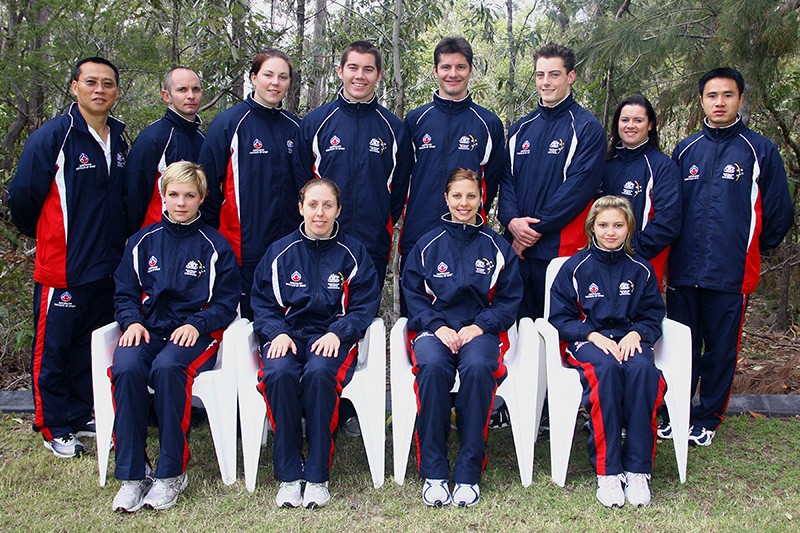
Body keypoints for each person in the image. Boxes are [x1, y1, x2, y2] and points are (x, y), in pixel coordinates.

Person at [663, 68, 793, 446]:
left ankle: (708, 418)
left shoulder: (759, 150)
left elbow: (779, 211)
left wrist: (753, 246)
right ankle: (678, 411)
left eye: (728, 95)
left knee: (720, 350)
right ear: (701, 100)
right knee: (682, 347)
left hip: (731, 271)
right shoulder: (686, 149)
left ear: (739, 99)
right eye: (712, 96)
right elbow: (671, 210)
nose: (719, 103)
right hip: (684, 270)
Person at [9, 57, 128, 458]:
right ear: (75, 86)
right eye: (91, 82)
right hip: (62, 267)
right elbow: (23, 198)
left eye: (108, 84)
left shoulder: (120, 139)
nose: (100, 90)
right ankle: (53, 423)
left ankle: (80, 413)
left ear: (115, 91)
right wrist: (50, 238)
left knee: (88, 347)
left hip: (106, 267)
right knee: (54, 348)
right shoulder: (53, 137)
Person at [109, 161, 240, 512]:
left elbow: (227, 303)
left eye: (189, 196)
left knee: (168, 369)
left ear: (202, 199)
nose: (181, 203)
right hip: (148, 328)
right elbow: (124, 292)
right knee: (126, 367)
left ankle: (170, 473)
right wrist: (131, 321)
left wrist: (198, 323)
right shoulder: (142, 242)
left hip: (194, 334)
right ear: (163, 196)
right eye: (173, 195)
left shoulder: (215, 246)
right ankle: (133, 475)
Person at [251, 178, 381, 509]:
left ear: (338, 209)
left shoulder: (354, 253)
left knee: (320, 374)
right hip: (288, 334)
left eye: (327, 206)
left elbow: (364, 306)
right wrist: (276, 331)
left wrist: (340, 332)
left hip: (332, 335)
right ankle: (290, 475)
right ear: (301, 207)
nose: (319, 213)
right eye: (313, 205)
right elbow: (262, 302)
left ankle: (318, 475)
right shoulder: (279, 252)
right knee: (278, 374)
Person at [402, 168, 522, 508]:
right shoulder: (427, 244)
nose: (464, 203)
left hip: (480, 330)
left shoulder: (497, 246)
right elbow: (413, 294)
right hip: (434, 329)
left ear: (481, 198)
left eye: (471, 195)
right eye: (457, 195)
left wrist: (480, 325)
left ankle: (469, 473)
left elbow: (509, 299)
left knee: (480, 368)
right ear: (446, 198)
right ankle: (435, 473)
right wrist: (437, 325)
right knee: (432, 366)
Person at [549, 195, 667, 508]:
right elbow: (559, 317)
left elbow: (653, 313)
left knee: (644, 372)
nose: (610, 231)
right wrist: (590, 334)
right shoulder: (575, 267)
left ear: (629, 229)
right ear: (592, 228)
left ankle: (638, 469)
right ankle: (609, 471)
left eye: (618, 225)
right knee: (607, 372)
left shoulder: (641, 269)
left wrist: (636, 333)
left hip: (629, 340)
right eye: (603, 225)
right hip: (588, 343)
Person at [498, 42, 606, 320]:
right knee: (520, 330)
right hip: (517, 249)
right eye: (540, 75)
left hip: (559, 250)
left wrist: (533, 231)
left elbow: (578, 189)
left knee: (557, 328)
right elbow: (506, 180)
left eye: (554, 74)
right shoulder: (520, 127)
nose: (546, 82)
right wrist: (511, 222)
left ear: (570, 77)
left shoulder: (586, 127)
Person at [292, 40, 411, 279]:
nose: (360, 76)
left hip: (373, 242)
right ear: (340, 71)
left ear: (379, 75)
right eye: (353, 67)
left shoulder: (394, 128)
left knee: (363, 314)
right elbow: (301, 182)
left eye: (368, 69)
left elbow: (398, 188)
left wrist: (379, 219)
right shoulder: (315, 123)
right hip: (322, 241)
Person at [199, 49, 301, 320]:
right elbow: (206, 187)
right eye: (268, 75)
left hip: (290, 248)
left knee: (285, 324)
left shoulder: (295, 127)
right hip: (243, 248)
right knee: (247, 326)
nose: (275, 83)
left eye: (282, 77)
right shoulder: (228, 123)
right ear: (253, 77)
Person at [400, 37, 505, 293]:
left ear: (470, 70)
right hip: (419, 230)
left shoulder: (488, 124)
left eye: (460, 67)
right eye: (446, 67)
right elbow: (402, 178)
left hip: (468, 235)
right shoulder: (415, 120)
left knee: (466, 304)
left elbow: (490, 182)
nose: (453, 74)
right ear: (435, 71)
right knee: (416, 308)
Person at [600, 94, 682, 288]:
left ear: (650, 125)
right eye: (625, 120)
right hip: (601, 262)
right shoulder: (604, 163)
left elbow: (668, 222)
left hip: (642, 263)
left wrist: (630, 250)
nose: (630, 126)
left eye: (638, 120)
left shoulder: (662, 166)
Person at [124, 67, 205, 234]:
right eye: (182, 89)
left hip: (195, 238)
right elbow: (134, 195)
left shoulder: (204, 139)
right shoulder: (152, 138)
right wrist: (136, 238)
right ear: (166, 96)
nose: (190, 95)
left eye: (195, 89)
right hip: (156, 237)